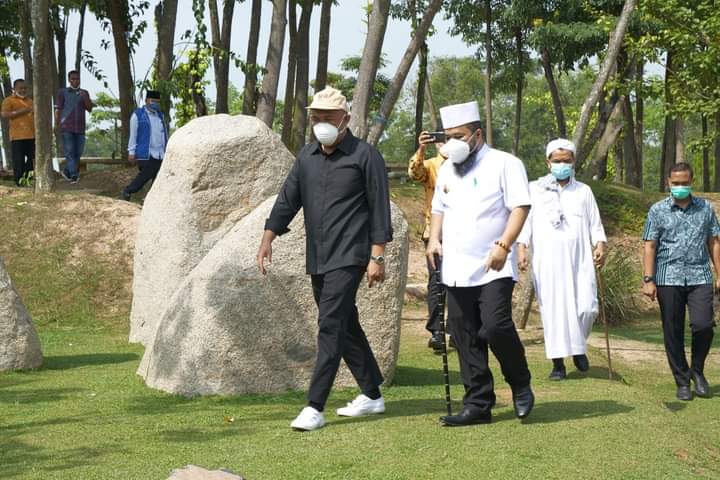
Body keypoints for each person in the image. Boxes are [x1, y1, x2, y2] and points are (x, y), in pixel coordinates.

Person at [256, 87, 393, 431]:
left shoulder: (366, 156)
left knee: (330, 325)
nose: (321, 124)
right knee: (345, 323)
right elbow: (289, 198)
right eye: (316, 117)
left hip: (351, 255)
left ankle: (314, 406)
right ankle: (373, 394)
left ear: (345, 119)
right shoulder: (306, 157)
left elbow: (379, 209)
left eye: (328, 118)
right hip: (318, 255)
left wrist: (378, 256)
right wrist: (268, 235)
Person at [426, 100, 534, 426]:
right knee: (463, 333)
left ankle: (520, 384)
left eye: (458, 136)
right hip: (456, 266)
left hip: (493, 264)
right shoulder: (446, 168)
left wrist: (504, 244)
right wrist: (433, 238)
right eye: (447, 137)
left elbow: (520, 207)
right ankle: (477, 403)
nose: (452, 143)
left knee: (495, 325)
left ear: (477, 134)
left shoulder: (506, 163)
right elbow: (438, 207)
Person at [517, 139, 607, 380]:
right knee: (554, 311)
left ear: (574, 161)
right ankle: (558, 363)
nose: (561, 165)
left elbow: (595, 223)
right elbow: (524, 221)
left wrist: (600, 244)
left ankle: (578, 346)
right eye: (557, 161)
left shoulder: (583, 191)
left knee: (588, 307)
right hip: (548, 260)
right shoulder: (535, 189)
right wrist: (522, 247)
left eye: (566, 161)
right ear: (548, 163)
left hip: (580, 260)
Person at [642, 162, 720, 401]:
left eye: (685, 183)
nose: (680, 187)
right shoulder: (657, 210)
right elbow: (650, 245)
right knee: (672, 330)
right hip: (668, 277)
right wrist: (648, 279)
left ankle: (697, 370)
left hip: (700, 276)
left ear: (691, 181)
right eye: (676, 183)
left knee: (704, 325)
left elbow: (714, 241)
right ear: (668, 182)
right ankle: (682, 380)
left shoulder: (705, 208)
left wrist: (719, 273)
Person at [407, 131, 449, 351]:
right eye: (441, 139)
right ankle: (437, 330)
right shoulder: (432, 165)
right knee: (437, 281)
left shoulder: (471, 164)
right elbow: (415, 173)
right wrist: (421, 149)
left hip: (467, 232)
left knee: (462, 283)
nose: (445, 144)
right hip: (436, 232)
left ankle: (458, 328)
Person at [121, 90, 168, 201]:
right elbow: (133, 135)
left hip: (160, 153)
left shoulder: (160, 116)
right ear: (146, 101)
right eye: (152, 101)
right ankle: (128, 190)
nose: (155, 103)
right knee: (146, 175)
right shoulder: (138, 115)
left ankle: (148, 200)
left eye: (157, 102)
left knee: (159, 179)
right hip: (146, 153)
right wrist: (131, 152)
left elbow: (164, 134)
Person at [55, 70, 93, 183]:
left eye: (77, 79)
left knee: (78, 152)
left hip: (80, 127)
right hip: (66, 126)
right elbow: (58, 109)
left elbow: (90, 108)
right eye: (73, 79)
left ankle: (66, 171)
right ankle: (74, 175)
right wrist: (56, 125)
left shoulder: (84, 92)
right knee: (70, 151)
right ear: (69, 80)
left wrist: (85, 98)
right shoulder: (62, 92)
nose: (75, 81)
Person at [1, 79, 35, 186]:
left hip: (31, 135)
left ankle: (28, 180)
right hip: (17, 137)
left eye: (25, 88)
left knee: (33, 159)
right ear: (14, 89)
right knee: (18, 162)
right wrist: (22, 111)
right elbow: (4, 114)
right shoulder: (8, 100)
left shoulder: (30, 101)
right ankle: (19, 183)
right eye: (20, 88)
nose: (23, 90)